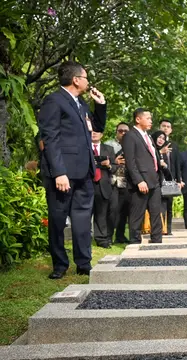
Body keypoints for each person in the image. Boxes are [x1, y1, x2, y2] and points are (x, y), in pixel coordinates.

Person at [38, 61, 106, 279]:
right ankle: (60, 264)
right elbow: (50, 139)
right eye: (85, 77)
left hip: (84, 172)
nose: (88, 81)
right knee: (58, 220)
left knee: (82, 220)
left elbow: (97, 128)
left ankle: (83, 263)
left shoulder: (81, 104)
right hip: (63, 174)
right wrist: (59, 172)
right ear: (76, 79)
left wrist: (101, 105)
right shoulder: (54, 101)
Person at [122, 108, 164, 244]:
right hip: (141, 182)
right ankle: (134, 242)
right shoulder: (130, 136)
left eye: (151, 118)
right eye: (148, 118)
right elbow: (130, 161)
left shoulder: (149, 136)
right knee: (137, 214)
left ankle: (157, 239)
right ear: (138, 119)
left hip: (154, 179)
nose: (151, 121)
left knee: (156, 211)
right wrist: (139, 180)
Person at [90, 131, 117, 248]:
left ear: (102, 134)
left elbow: (115, 167)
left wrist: (109, 165)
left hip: (103, 184)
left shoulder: (109, 149)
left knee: (101, 213)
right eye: (92, 132)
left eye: (97, 132)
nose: (94, 134)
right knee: (85, 213)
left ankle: (101, 239)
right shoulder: (84, 146)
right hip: (87, 184)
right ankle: (83, 238)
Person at [106, 122, 131, 243]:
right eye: (120, 131)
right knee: (113, 209)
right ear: (116, 132)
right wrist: (114, 160)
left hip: (128, 181)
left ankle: (120, 235)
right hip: (113, 181)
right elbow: (103, 161)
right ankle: (108, 236)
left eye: (126, 131)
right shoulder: (109, 145)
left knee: (124, 210)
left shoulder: (133, 144)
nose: (123, 133)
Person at [159, 119, 183, 234]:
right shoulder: (155, 143)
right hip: (158, 177)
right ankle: (160, 228)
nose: (165, 128)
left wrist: (179, 180)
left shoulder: (174, 145)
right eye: (163, 126)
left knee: (169, 204)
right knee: (159, 204)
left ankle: (168, 229)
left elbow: (177, 164)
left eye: (168, 126)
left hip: (170, 179)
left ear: (171, 130)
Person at [152, 130, 175, 235]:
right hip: (153, 182)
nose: (161, 140)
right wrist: (160, 153)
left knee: (168, 205)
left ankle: (167, 229)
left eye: (163, 138)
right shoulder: (151, 149)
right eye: (159, 137)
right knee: (157, 206)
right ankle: (158, 229)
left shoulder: (166, 151)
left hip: (165, 181)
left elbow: (169, 167)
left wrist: (165, 166)